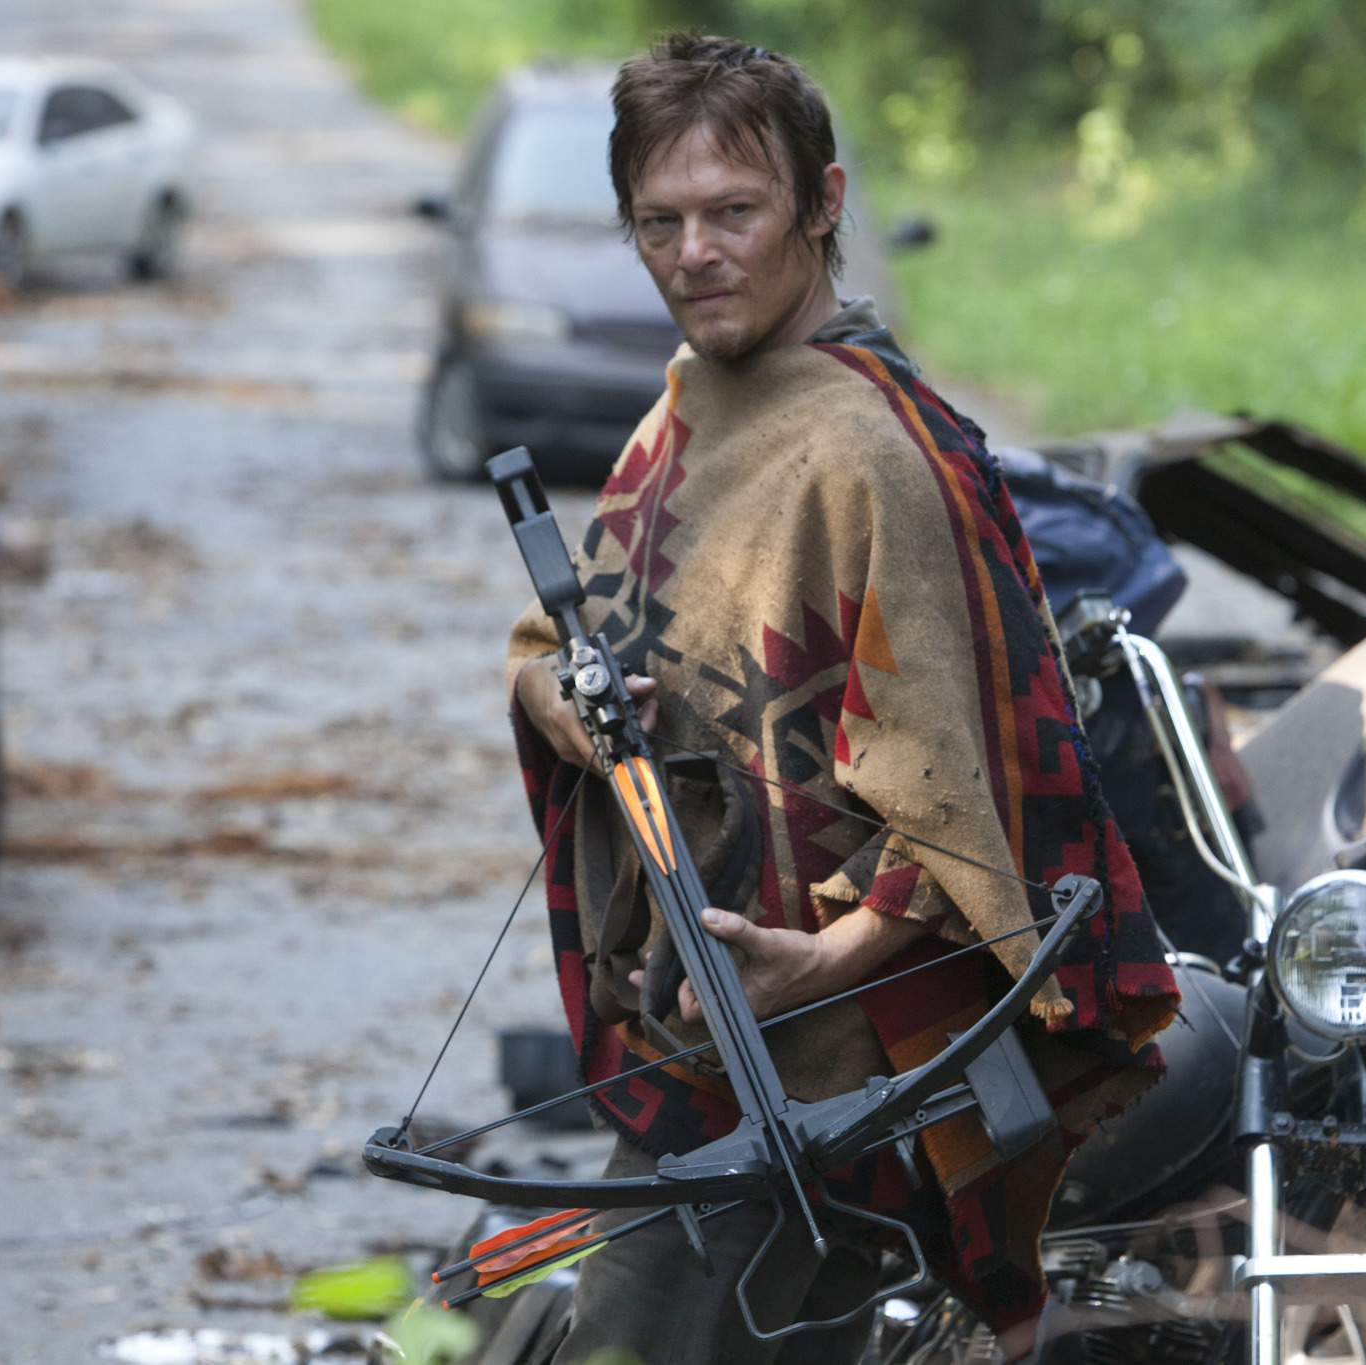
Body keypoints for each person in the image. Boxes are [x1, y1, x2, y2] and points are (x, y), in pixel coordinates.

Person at [504, 33, 1180, 1365]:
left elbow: (966, 794)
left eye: (734, 212)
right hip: (694, 1042)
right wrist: (559, 699)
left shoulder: (876, 454)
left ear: (823, 203)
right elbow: (554, 635)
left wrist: (828, 960)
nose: (695, 254)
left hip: (822, 1088)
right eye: (659, 222)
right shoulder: (692, 404)